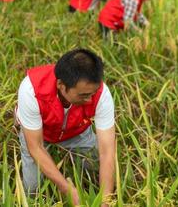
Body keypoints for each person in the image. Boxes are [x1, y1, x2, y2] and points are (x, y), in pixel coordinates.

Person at [16, 49, 115, 206]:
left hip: (77, 132)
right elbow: (36, 147)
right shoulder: (31, 90)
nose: (90, 100)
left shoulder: (102, 95)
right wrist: (67, 189)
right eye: (83, 95)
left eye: (93, 93)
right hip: (40, 135)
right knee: (33, 190)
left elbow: (107, 151)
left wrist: (105, 200)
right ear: (61, 85)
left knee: (96, 165)